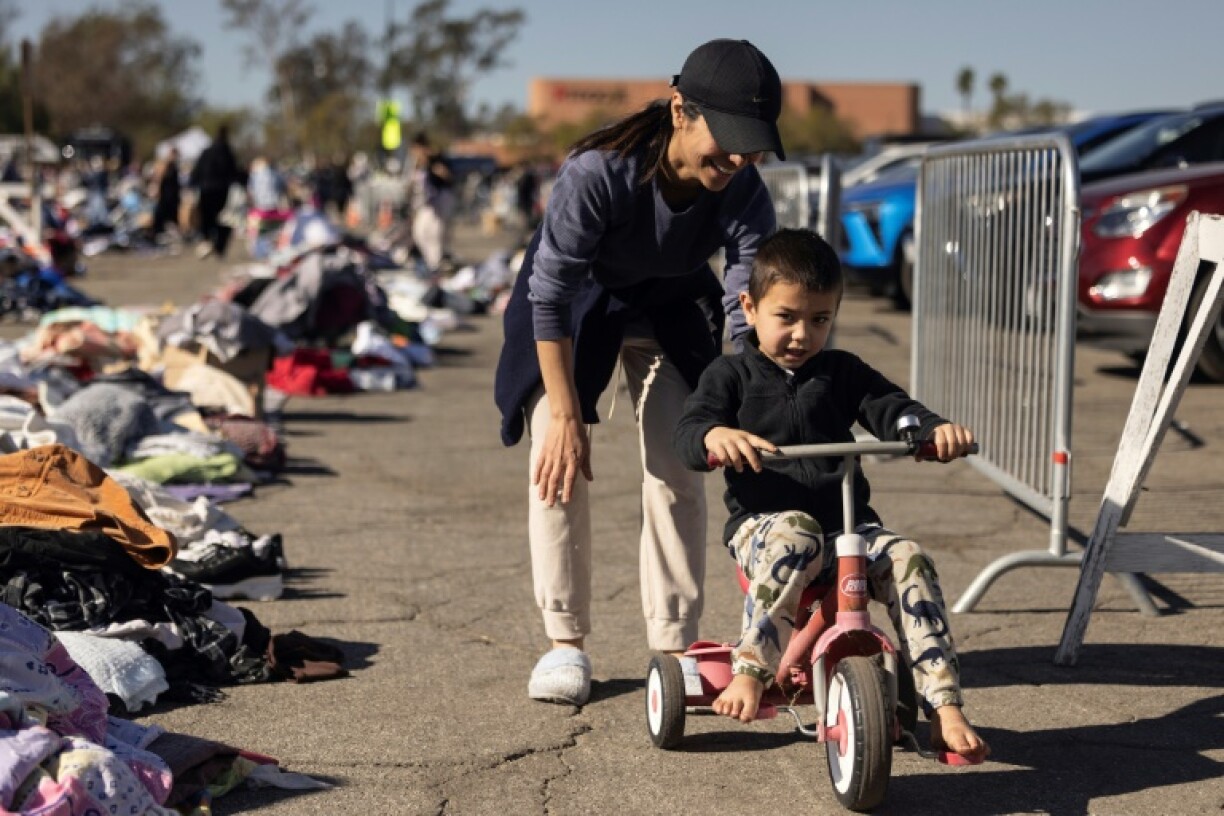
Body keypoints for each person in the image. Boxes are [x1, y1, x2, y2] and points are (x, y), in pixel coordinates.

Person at [493, 39, 784, 706]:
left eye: (754, 145)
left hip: (674, 302)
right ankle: (565, 642)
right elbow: (549, 294)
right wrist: (566, 413)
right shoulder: (599, 172)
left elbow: (747, 305)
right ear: (681, 109)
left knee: (684, 459)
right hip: (577, 306)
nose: (740, 159)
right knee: (555, 456)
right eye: (730, 140)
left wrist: (753, 395)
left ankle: (675, 643)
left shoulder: (742, 188)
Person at [672, 228, 990, 762]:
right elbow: (689, 433)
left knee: (908, 556)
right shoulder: (730, 375)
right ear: (749, 308)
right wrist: (714, 436)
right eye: (787, 317)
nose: (803, 334)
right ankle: (753, 670)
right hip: (766, 528)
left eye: (820, 320)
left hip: (848, 529)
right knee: (798, 529)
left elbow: (892, 407)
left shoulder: (841, 372)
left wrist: (931, 430)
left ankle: (944, 705)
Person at [189, 124, 242, 259]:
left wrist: (193, 185)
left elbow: (196, 172)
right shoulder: (226, 152)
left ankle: (209, 243)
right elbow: (234, 172)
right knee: (221, 218)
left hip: (206, 190)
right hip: (221, 191)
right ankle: (218, 246)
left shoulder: (207, 152)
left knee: (207, 218)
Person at [406, 132, 456, 273]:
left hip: (438, 202)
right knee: (419, 232)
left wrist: (438, 170)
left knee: (434, 233)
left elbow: (447, 177)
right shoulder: (416, 164)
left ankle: (436, 264)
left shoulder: (436, 159)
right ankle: (432, 262)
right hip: (424, 205)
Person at [150, 147, 182, 241]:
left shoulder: (173, 165)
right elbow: (160, 179)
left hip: (172, 194)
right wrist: (158, 191)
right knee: (161, 213)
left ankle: (164, 232)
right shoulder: (166, 165)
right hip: (166, 194)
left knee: (171, 214)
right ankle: (156, 232)